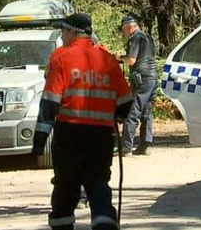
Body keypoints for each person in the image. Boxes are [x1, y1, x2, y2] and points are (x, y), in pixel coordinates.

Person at [32, 13, 133, 230]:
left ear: (71, 32)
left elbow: (50, 101)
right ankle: (105, 225)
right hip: (101, 137)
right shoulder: (107, 59)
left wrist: (40, 137)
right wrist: (118, 117)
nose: (62, 36)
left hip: (70, 135)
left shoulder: (61, 57)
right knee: (98, 186)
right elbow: (125, 101)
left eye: (63, 32)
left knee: (66, 188)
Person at [115, 16, 158, 156]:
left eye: (123, 30)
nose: (123, 33)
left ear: (129, 27)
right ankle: (145, 145)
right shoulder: (148, 37)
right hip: (152, 78)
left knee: (133, 110)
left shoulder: (135, 38)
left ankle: (126, 147)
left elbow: (131, 60)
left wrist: (119, 57)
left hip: (141, 79)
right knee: (147, 112)